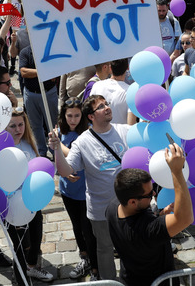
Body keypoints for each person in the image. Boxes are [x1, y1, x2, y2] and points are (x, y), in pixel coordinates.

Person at [49, 95, 131, 281]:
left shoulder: (125, 131)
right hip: (101, 208)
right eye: (101, 107)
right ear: (91, 117)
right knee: (104, 248)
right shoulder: (82, 142)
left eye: (106, 104)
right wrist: (56, 149)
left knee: (128, 246)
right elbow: (65, 170)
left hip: (128, 206)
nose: (107, 108)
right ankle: (109, 283)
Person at [106, 149, 193, 286]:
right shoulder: (146, 229)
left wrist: (160, 215)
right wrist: (177, 172)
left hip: (130, 278)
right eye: (148, 195)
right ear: (132, 202)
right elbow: (185, 218)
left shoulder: (113, 207)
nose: (153, 193)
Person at [4, 107, 54, 282]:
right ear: (4, 127)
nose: (18, 129)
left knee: (36, 240)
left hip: (33, 201)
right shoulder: (2, 149)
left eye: (20, 125)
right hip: (13, 205)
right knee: (20, 247)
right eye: (13, 126)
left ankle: (32, 268)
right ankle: (21, 278)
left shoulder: (28, 144)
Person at [53, 99, 96, 280]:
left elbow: (76, 156)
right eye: (69, 115)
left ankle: (95, 268)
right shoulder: (59, 132)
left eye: (77, 115)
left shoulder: (88, 132)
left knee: (88, 229)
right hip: (67, 190)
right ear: (64, 115)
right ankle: (84, 258)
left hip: (85, 191)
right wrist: (62, 172)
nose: (73, 119)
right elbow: (56, 161)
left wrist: (57, 144)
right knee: (77, 227)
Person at [19, 44, 59, 156]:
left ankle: (55, 151)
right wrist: (42, 72)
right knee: (35, 126)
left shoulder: (50, 51)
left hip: (48, 93)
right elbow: (23, 72)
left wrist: (35, 72)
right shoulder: (25, 52)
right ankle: (41, 152)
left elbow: (55, 72)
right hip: (31, 94)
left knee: (52, 124)